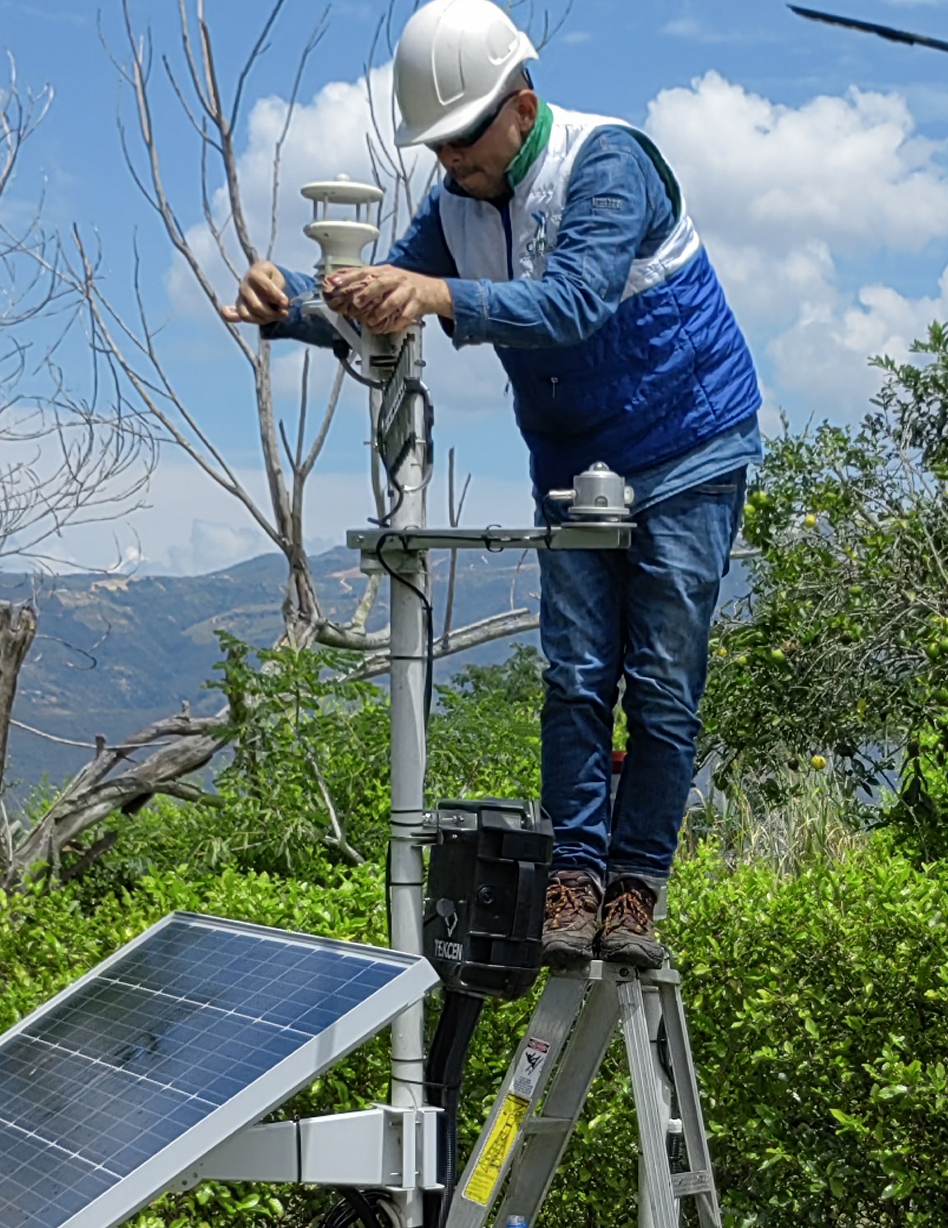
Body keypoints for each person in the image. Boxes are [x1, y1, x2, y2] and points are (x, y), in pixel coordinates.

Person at [223, 0, 761, 969]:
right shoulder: (461, 204)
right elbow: (386, 305)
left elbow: (574, 302)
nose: (448, 163)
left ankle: (634, 887)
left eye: (461, 139)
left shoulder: (609, 165)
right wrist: (293, 310)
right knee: (578, 676)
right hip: (575, 465)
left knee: (665, 683)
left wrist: (437, 296)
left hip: (689, 443)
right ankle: (576, 875)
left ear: (521, 105)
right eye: (435, 147)